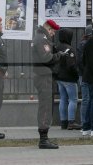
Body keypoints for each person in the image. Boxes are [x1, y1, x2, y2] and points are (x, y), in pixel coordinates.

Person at [31, 19, 65, 149]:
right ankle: (43, 139)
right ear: (49, 29)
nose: (53, 34)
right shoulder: (42, 38)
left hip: (44, 75)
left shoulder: (41, 37)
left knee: (46, 106)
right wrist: (58, 55)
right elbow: (46, 57)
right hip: (43, 76)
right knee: (45, 107)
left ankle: (44, 137)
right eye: (53, 32)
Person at [56, 28, 80, 130]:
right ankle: (71, 122)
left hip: (59, 77)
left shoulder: (57, 47)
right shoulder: (69, 49)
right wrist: (77, 74)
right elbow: (71, 66)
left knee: (63, 99)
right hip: (69, 78)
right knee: (73, 100)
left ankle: (63, 122)